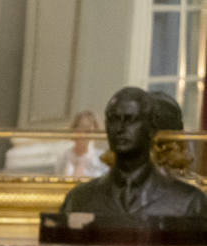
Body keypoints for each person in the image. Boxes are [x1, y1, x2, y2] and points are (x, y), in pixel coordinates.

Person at [58, 86, 207, 225]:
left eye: (131, 120)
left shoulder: (189, 202)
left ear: (151, 129)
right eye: (114, 120)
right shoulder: (78, 199)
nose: (120, 129)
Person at [55, 110, 108, 178]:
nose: (84, 136)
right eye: (82, 129)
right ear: (74, 130)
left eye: (88, 132)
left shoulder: (100, 158)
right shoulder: (63, 157)